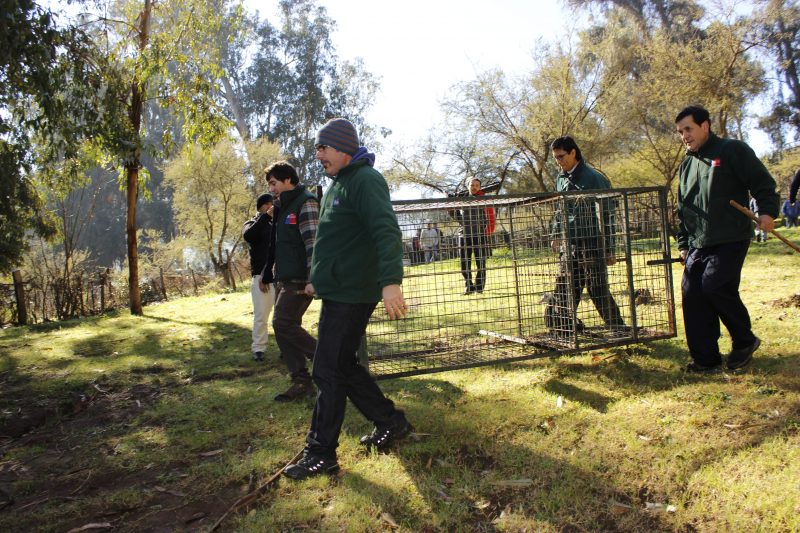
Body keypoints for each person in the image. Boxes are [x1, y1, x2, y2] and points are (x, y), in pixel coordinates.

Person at [283, 118, 413, 480]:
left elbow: (385, 229)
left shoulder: (365, 180)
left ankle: (321, 452)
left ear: (342, 147)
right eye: (317, 148)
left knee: (326, 370)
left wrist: (391, 282)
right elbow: (335, 242)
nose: (318, 154)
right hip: (339, 290)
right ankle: (391, 422)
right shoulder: (337, 184)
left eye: (323, 147)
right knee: (342, 366)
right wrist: (317, 281)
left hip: (355, 293)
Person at [674, 105, 779, 372]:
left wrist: (767, 212)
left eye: (689, 129)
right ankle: (706, 359)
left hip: (731, 236)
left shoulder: (732, 150)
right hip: (699, 241)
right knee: (692, 294)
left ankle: (744, 341)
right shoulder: (686, 166)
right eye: (680, 132)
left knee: (715, 285)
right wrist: (684, 244)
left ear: (705, 126)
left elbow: (762, 182)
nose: (684, 136)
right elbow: (683, 209)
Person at [546, 136, 625, 337]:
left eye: (561, 156)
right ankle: (563, 329)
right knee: (565, 285)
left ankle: (618, 328)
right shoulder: (561, 178)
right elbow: (559, 209)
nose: (558, 161)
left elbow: (608, 215)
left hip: (592, 240)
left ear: (573, 152)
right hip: (569, 241)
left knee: (596, 286)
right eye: (555, 157)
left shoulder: (594, 178)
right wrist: (556, 233)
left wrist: (609, 248)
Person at [262, 161, 319, 402]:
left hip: (300, 279)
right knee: (283, 326)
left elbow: (313, 244)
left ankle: (328, 360)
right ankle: (301, 382)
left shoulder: (305, 203)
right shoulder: (282, 208)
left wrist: (313, 278)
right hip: (285, 278)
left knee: (283, 323)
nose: (271, 189)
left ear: (288, 180)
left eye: (274, 183)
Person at [242, 193, 274, 362]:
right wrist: (265, 218)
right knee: (261, 316)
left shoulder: (278, 223)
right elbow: (249, 236)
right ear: (262, 206)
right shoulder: (252, 223)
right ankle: (259, 348)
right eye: (269, 204)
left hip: (281, 276)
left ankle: (288, 347)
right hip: (261, 277)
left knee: (284, 317)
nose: (272, 206)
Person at [449, 177, 496, 294]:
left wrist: (487, 233)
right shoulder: (461, 199)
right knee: (464, 264)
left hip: (480, 235)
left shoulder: (484, 199)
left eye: (477, 185)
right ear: (468, 186)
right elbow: (456, 216)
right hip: (464, 235)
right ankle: (469, 287)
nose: (474, 187)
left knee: (481, 263)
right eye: (472, 185)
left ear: (480, 187)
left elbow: (491, 219)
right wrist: (450, 207)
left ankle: (479, 288)